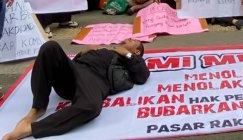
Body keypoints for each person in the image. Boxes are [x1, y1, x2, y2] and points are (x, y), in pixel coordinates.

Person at [2, 39, 149, 139]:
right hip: (74, 73)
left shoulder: (129, 59)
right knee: (50, 47)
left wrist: (126, 54)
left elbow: (142, 76)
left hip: (94, 79)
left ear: (137, 51)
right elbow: (71, 63)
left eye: (132, 40)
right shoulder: (107, 48)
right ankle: (37, 108)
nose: (127, 38)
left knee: (91, 106)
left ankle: (31, 129)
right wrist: (84, 52)